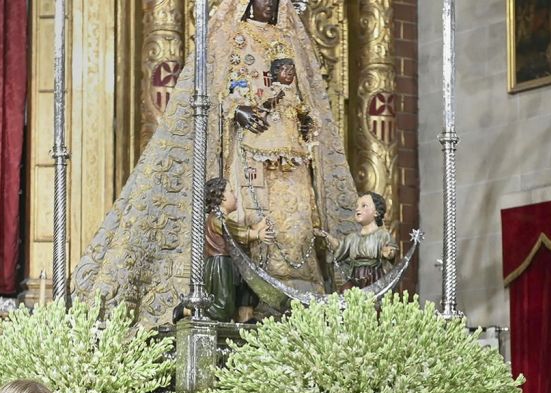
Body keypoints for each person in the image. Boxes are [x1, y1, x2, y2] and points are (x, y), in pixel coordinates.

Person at [73, 0, 360, 326]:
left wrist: (304, 121)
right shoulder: (234, 35)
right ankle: (248, 306)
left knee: (296, 226)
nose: (271, 5)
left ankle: (297, 304)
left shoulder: (288, 38)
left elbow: (303, 96)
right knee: (251, 219)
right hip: (251, 148)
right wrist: (238, 109)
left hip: (292, 152)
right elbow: (222, 90)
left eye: (276, 0)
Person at [203, 176, 273, 322]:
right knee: (223, 307)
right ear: (221, 197)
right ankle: (187, 309)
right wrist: (256, 234)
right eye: (231, 192)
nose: (235, 196)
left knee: (246, 289)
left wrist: (258, 228)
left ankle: (245, 319)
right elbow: (233, 232)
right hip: (220, 264)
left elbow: (236, 230)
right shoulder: (217, 218)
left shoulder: (224, 218)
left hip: (232, 263)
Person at [315, 192, 398, 290]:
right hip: (355, 278)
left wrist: (389, 253)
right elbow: (340, 248)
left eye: (364, 206)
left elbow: (391, 250)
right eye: (357, 206)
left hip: (374, 278)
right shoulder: (353, 238)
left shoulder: (382, 235)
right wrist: (326, 236)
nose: (358, 209)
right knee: (345, 292)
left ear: (376, 212)